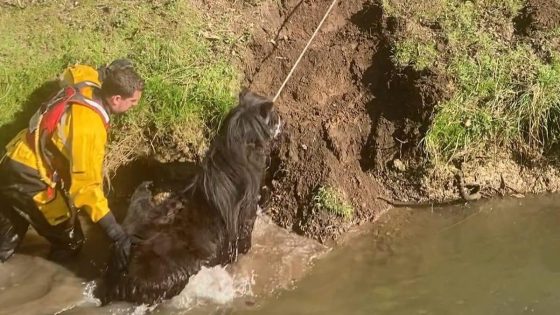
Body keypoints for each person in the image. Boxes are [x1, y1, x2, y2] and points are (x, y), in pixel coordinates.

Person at [0, 59, 144, 270]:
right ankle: (51, 288)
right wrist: (116, 234)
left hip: (12, 159)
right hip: (32, 179)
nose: (135, 105)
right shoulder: (89, 130)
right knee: (71, 241)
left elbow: (73, 71)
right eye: (132, 101)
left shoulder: (86, 83)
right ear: (116, 99)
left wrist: (105, 71)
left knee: (7, 235)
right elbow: (86, 189)